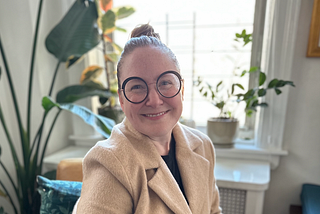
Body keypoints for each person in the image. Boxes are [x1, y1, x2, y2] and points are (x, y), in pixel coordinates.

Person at [73, 24, 222, 214]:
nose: (154, 100)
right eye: (137, 87)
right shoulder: (109, 164)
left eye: (166, 82)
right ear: (122, 99)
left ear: (182, 89)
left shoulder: (202, 145)